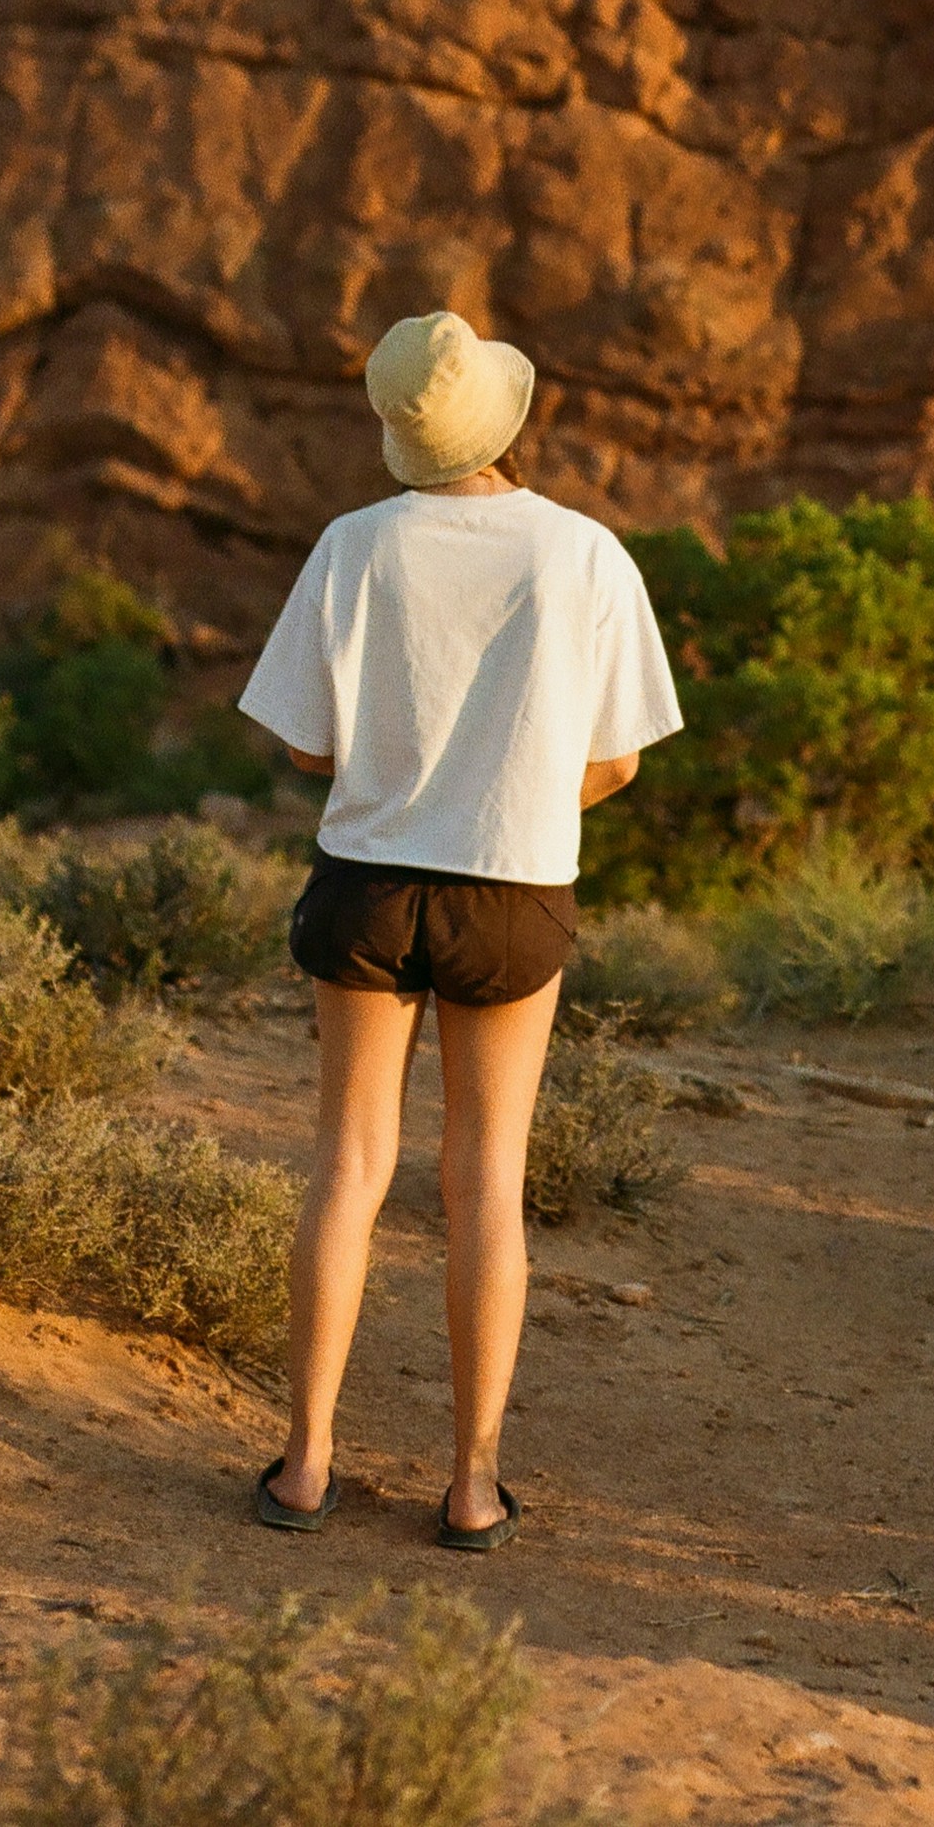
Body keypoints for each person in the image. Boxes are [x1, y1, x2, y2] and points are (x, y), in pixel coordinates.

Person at [236, 308, 682, 1553]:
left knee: (348, 1162)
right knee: (487, 1175)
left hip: (368, 881)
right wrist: (518, 792)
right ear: (501, 413)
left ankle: (309, 1464)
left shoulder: (352, 546)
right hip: (513, 885)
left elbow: (306, 743)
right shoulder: (584, 553)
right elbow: (617, 761)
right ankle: (474, 1485)